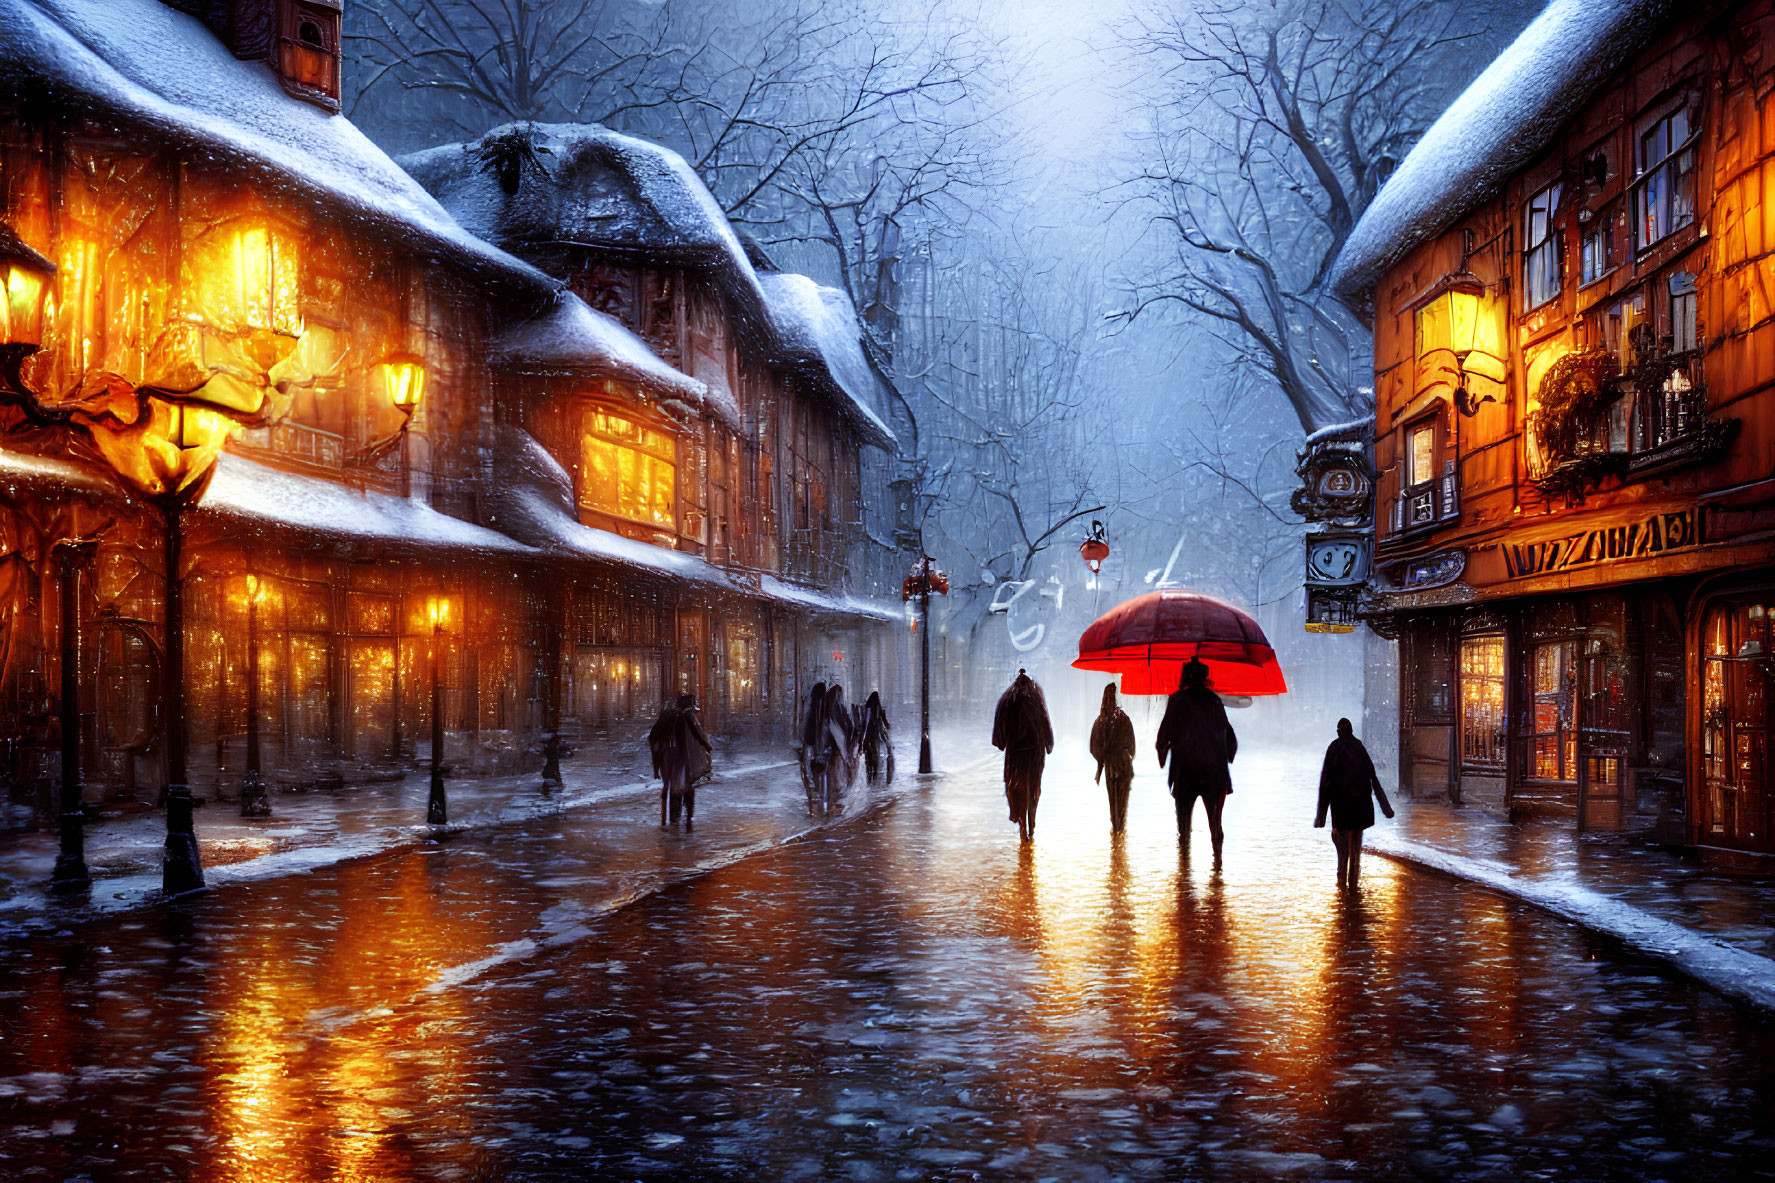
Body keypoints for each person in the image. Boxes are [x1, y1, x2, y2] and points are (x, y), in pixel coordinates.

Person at [1155, 659, 1237, 856]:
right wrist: (1226, 759)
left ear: (1185, 677)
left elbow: (1163, 736)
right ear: (1205, 678)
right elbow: (1230, 737)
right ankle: (1218, 867)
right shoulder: (1214, 701)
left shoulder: (1177, 700)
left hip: (1186, 772)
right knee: (1215, 823)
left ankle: (1184, 872)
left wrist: (1163, 758)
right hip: (1214, 773)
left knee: (1183, 828)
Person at [1315, 717, 1395, 885]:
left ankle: (1342, 880)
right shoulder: (1359, 747)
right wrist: (1386, 808)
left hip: (1341, 808)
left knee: (1341, 847)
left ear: (1338, 731)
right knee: (1356, 851)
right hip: (1360, 808)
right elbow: (1374, 778)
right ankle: (1353, 884)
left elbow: (1325, 783)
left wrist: (1321, 815)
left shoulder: (1334, 748)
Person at [991, 668, 1054, 843]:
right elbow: (1045, 720)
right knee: (1033, 786)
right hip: (1035, 750)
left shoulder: (1009, 698)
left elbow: (1000, 722)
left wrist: (1000, 742)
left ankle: (1020, 822)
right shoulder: (1036, 697)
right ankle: (1031, 823)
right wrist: (1049, 744)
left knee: (1016, 786)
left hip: (1016, 751)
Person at [648, 692, 712, 829]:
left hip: (666, 761)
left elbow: (653, 740)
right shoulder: (687, 717)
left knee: (674, 788)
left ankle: (674, 822)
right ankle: (686, 819)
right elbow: (699, 735)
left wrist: (656, 767)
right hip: (682, 760)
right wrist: (708, 747)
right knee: (685, 788)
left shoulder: (666, 719)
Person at [1089, 683, 1137, 833]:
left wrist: (1102, 760)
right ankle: (1120, 829)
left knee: (1113, 799)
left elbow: (1093, 747)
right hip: (1124, 764)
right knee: (1123, 799)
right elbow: (1132, 745)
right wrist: (1127, 757)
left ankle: (1115, 828)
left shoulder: (1100, 721)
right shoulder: (1124, 718)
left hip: (1110, 766)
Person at [860, 690, 893, 783]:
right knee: (875, 757)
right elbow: (887, 725)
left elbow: (864, 725)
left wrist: (861, 742)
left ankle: (869, 778)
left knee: (869, 758)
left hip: (868, 738)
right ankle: (874, 777)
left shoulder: (867, 709)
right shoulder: (878, 710)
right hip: (875, 737)